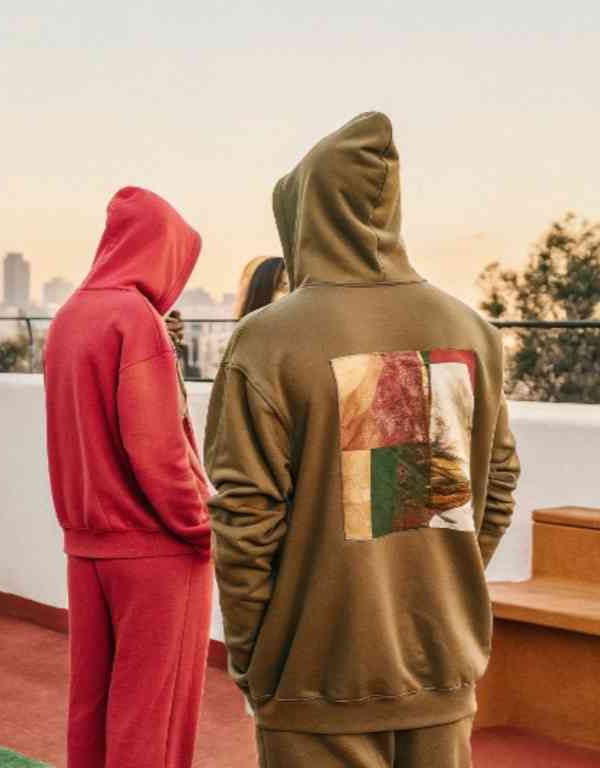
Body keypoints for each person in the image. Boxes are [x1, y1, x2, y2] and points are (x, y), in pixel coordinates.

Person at [204, 112, 521, 768]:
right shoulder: (472, 330)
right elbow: (497, 489)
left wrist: (253, 658)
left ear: (305, 214)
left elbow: (245, 522)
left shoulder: (269, 340)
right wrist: (445, 586)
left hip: (313, 679)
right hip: (442, 669)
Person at [43, 186, 213, 768]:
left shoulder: (69, 316)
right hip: (156, 551)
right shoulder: (133, 318)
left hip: (86, 546)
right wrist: (202, 527)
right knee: (151, 715)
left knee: (91, 705)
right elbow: (158, 448)